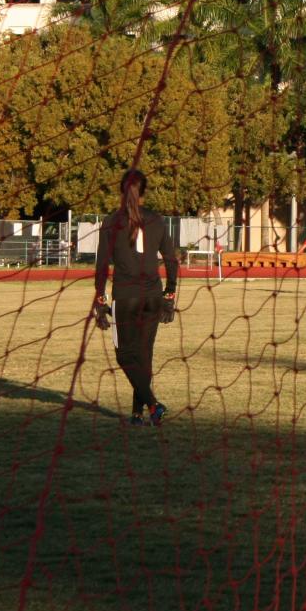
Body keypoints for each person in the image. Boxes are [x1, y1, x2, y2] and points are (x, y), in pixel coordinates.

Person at [93, 169, 179, 427]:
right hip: (152, 295)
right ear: (144, 191)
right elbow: (172, 259)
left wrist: (100, 301)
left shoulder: (111, 221)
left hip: (126, 297)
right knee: (144, 355)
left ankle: (152, 405)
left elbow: (101, 266)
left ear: (122, 190)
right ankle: (137, 414)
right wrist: (169, 295)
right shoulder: (156, 220)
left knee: (124, 356)